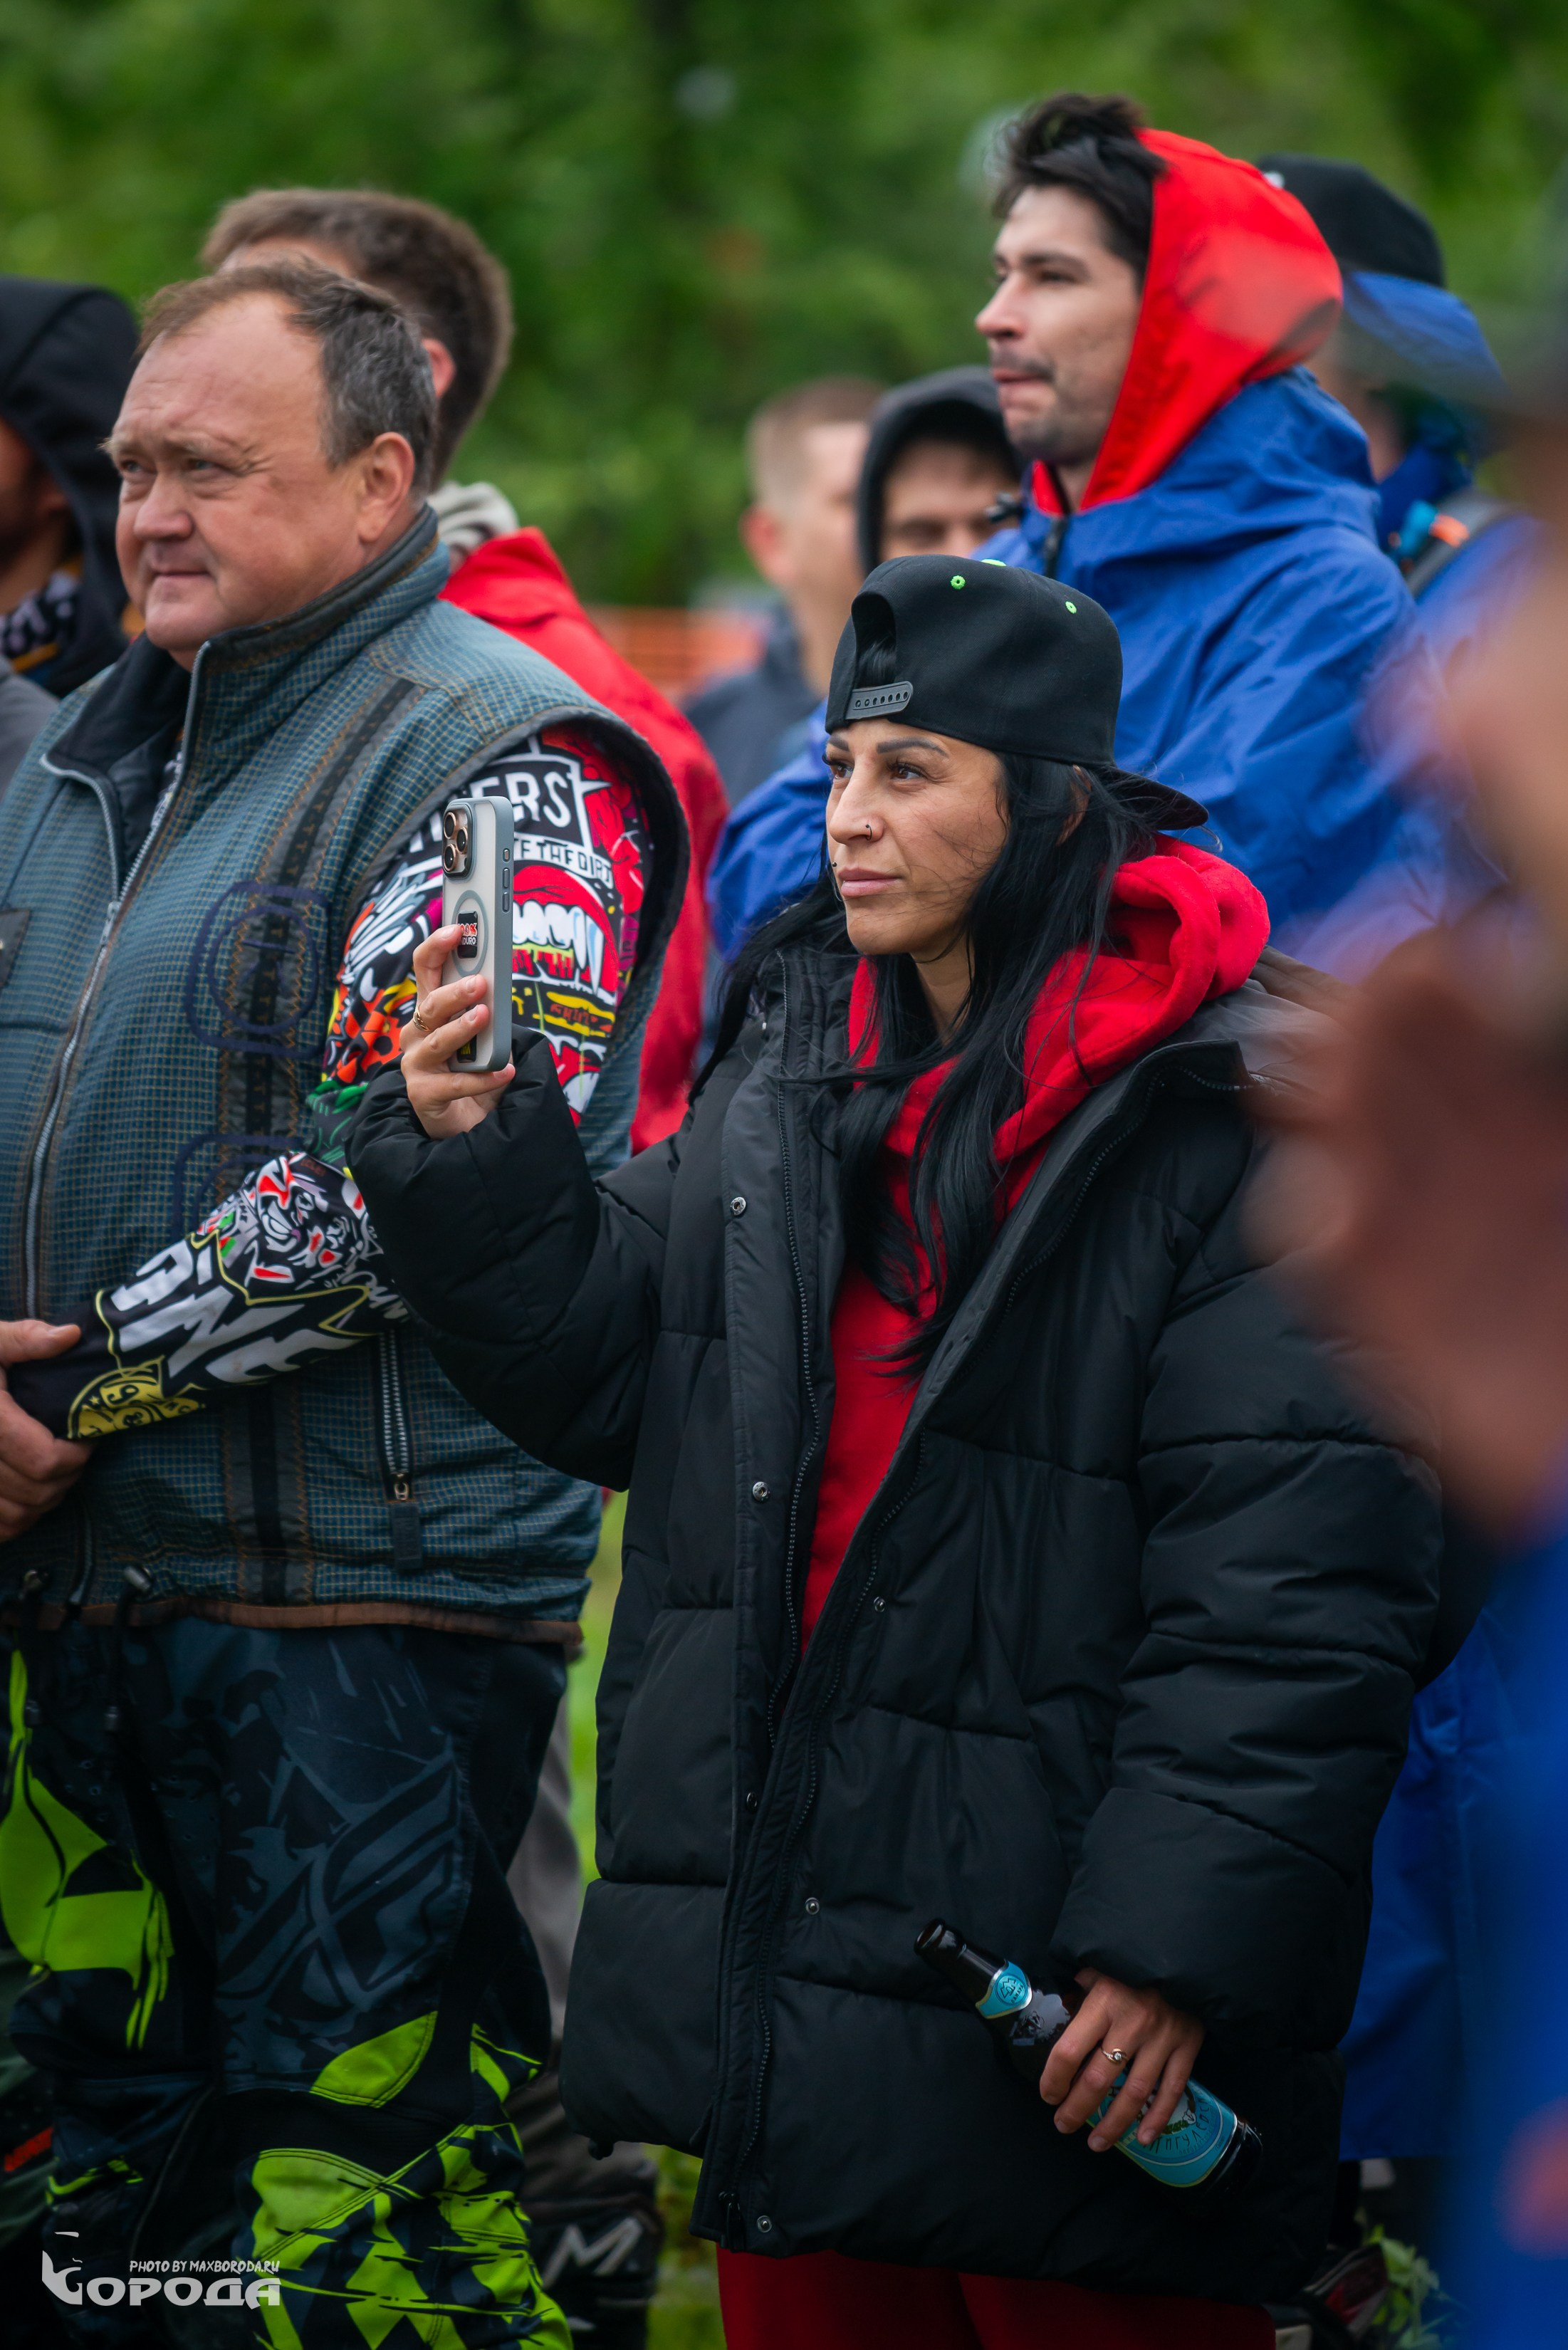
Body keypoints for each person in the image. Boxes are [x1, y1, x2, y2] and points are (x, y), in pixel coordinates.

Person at [350, 553, 1441, 2347]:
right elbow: (627, 1372)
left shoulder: (1226, 1113)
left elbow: (1290, 1599)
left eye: (910, 772)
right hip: (799, 1958)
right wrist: (480, 1160)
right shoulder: (795, 1063)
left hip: (1060, 2002)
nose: (844, 817)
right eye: (842, 765)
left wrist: (1165, 1954)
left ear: (1049, 802)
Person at [0, 259, 684, 2346]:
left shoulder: (505, 758)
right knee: (109, 2221)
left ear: (384, 481)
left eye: (212, 465)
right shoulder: (83, 755)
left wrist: (74, 1395)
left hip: (357, 1638)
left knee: (356, 2236)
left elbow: (407, 1185)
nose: (148, 513)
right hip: (88, 1619)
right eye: (129, 465)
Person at [714, 93, 1454, 981]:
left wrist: (909, 894)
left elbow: (1157, 934)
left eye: (1052, 277)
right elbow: (751, 872)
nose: (996, 314)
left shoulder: (1326, 600)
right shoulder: (995, 570)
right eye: (1002, 273)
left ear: (1189, 320)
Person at [203, 185, 726, 1156]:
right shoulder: (204, 683)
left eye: (269, 323)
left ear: (414, 378)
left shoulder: (554, 709)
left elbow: (597, 1133)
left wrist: (125, 1318)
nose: (200, 360)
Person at [706, 367, 1020, 954]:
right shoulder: (713, 732)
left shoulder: (1087, 703)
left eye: (997, 524)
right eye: (922, 529)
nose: (967, 554)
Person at [1258, 155, 1538, 673]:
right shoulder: (1182, 550)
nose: (1229, 343)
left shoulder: (1513, 576)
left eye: (1273, 310)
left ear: (1378, 354)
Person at [684, 376, 881, 805]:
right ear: (771, 542)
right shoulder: (702, 737)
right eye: (853, 500)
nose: (886, 518)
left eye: (892, 494)